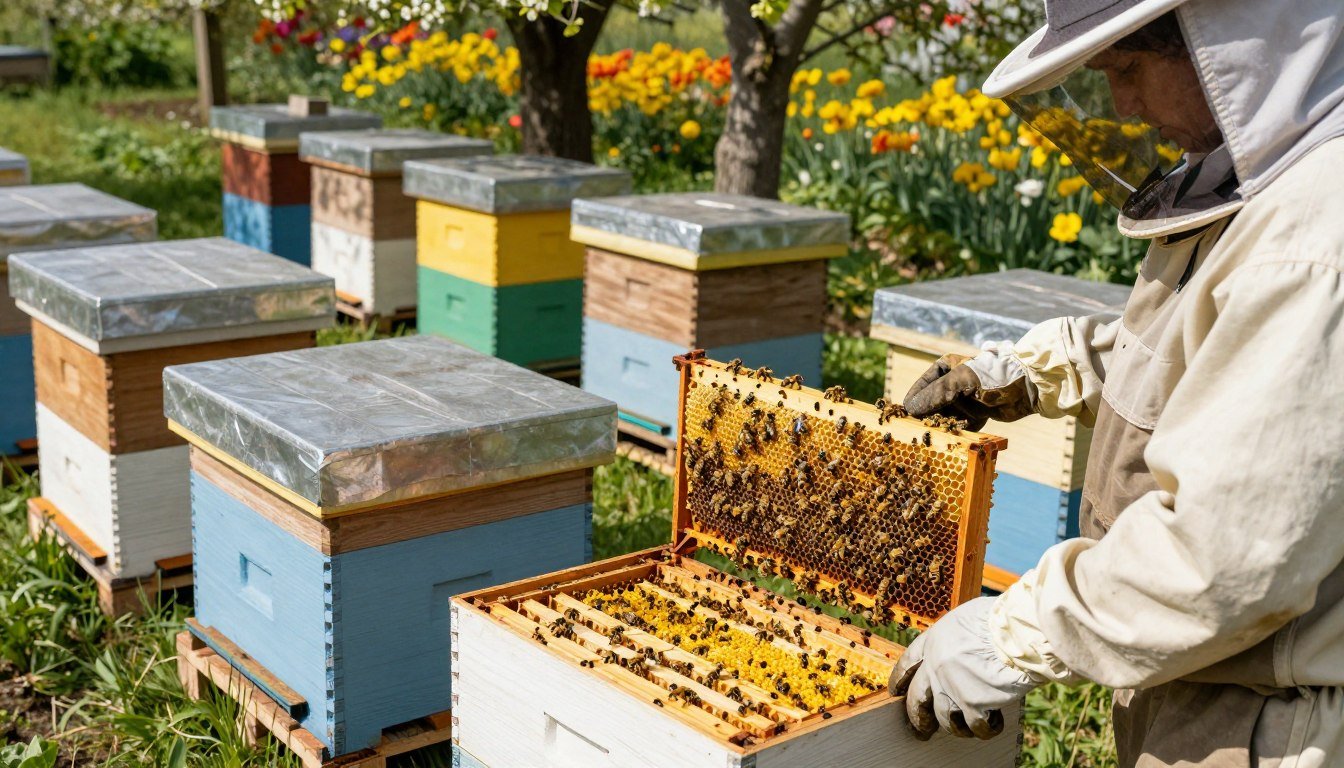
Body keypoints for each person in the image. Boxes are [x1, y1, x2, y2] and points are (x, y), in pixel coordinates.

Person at [889, 1, 1344, 765]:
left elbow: (1225, 560)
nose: (1120, 105)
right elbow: (1211, 357)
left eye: (1129, 69)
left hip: (1282, 720)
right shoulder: (1258, 180)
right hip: (1205, 678)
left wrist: (1014, 633)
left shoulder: (1316, 236)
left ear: (1230, 46)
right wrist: (1038, 370)